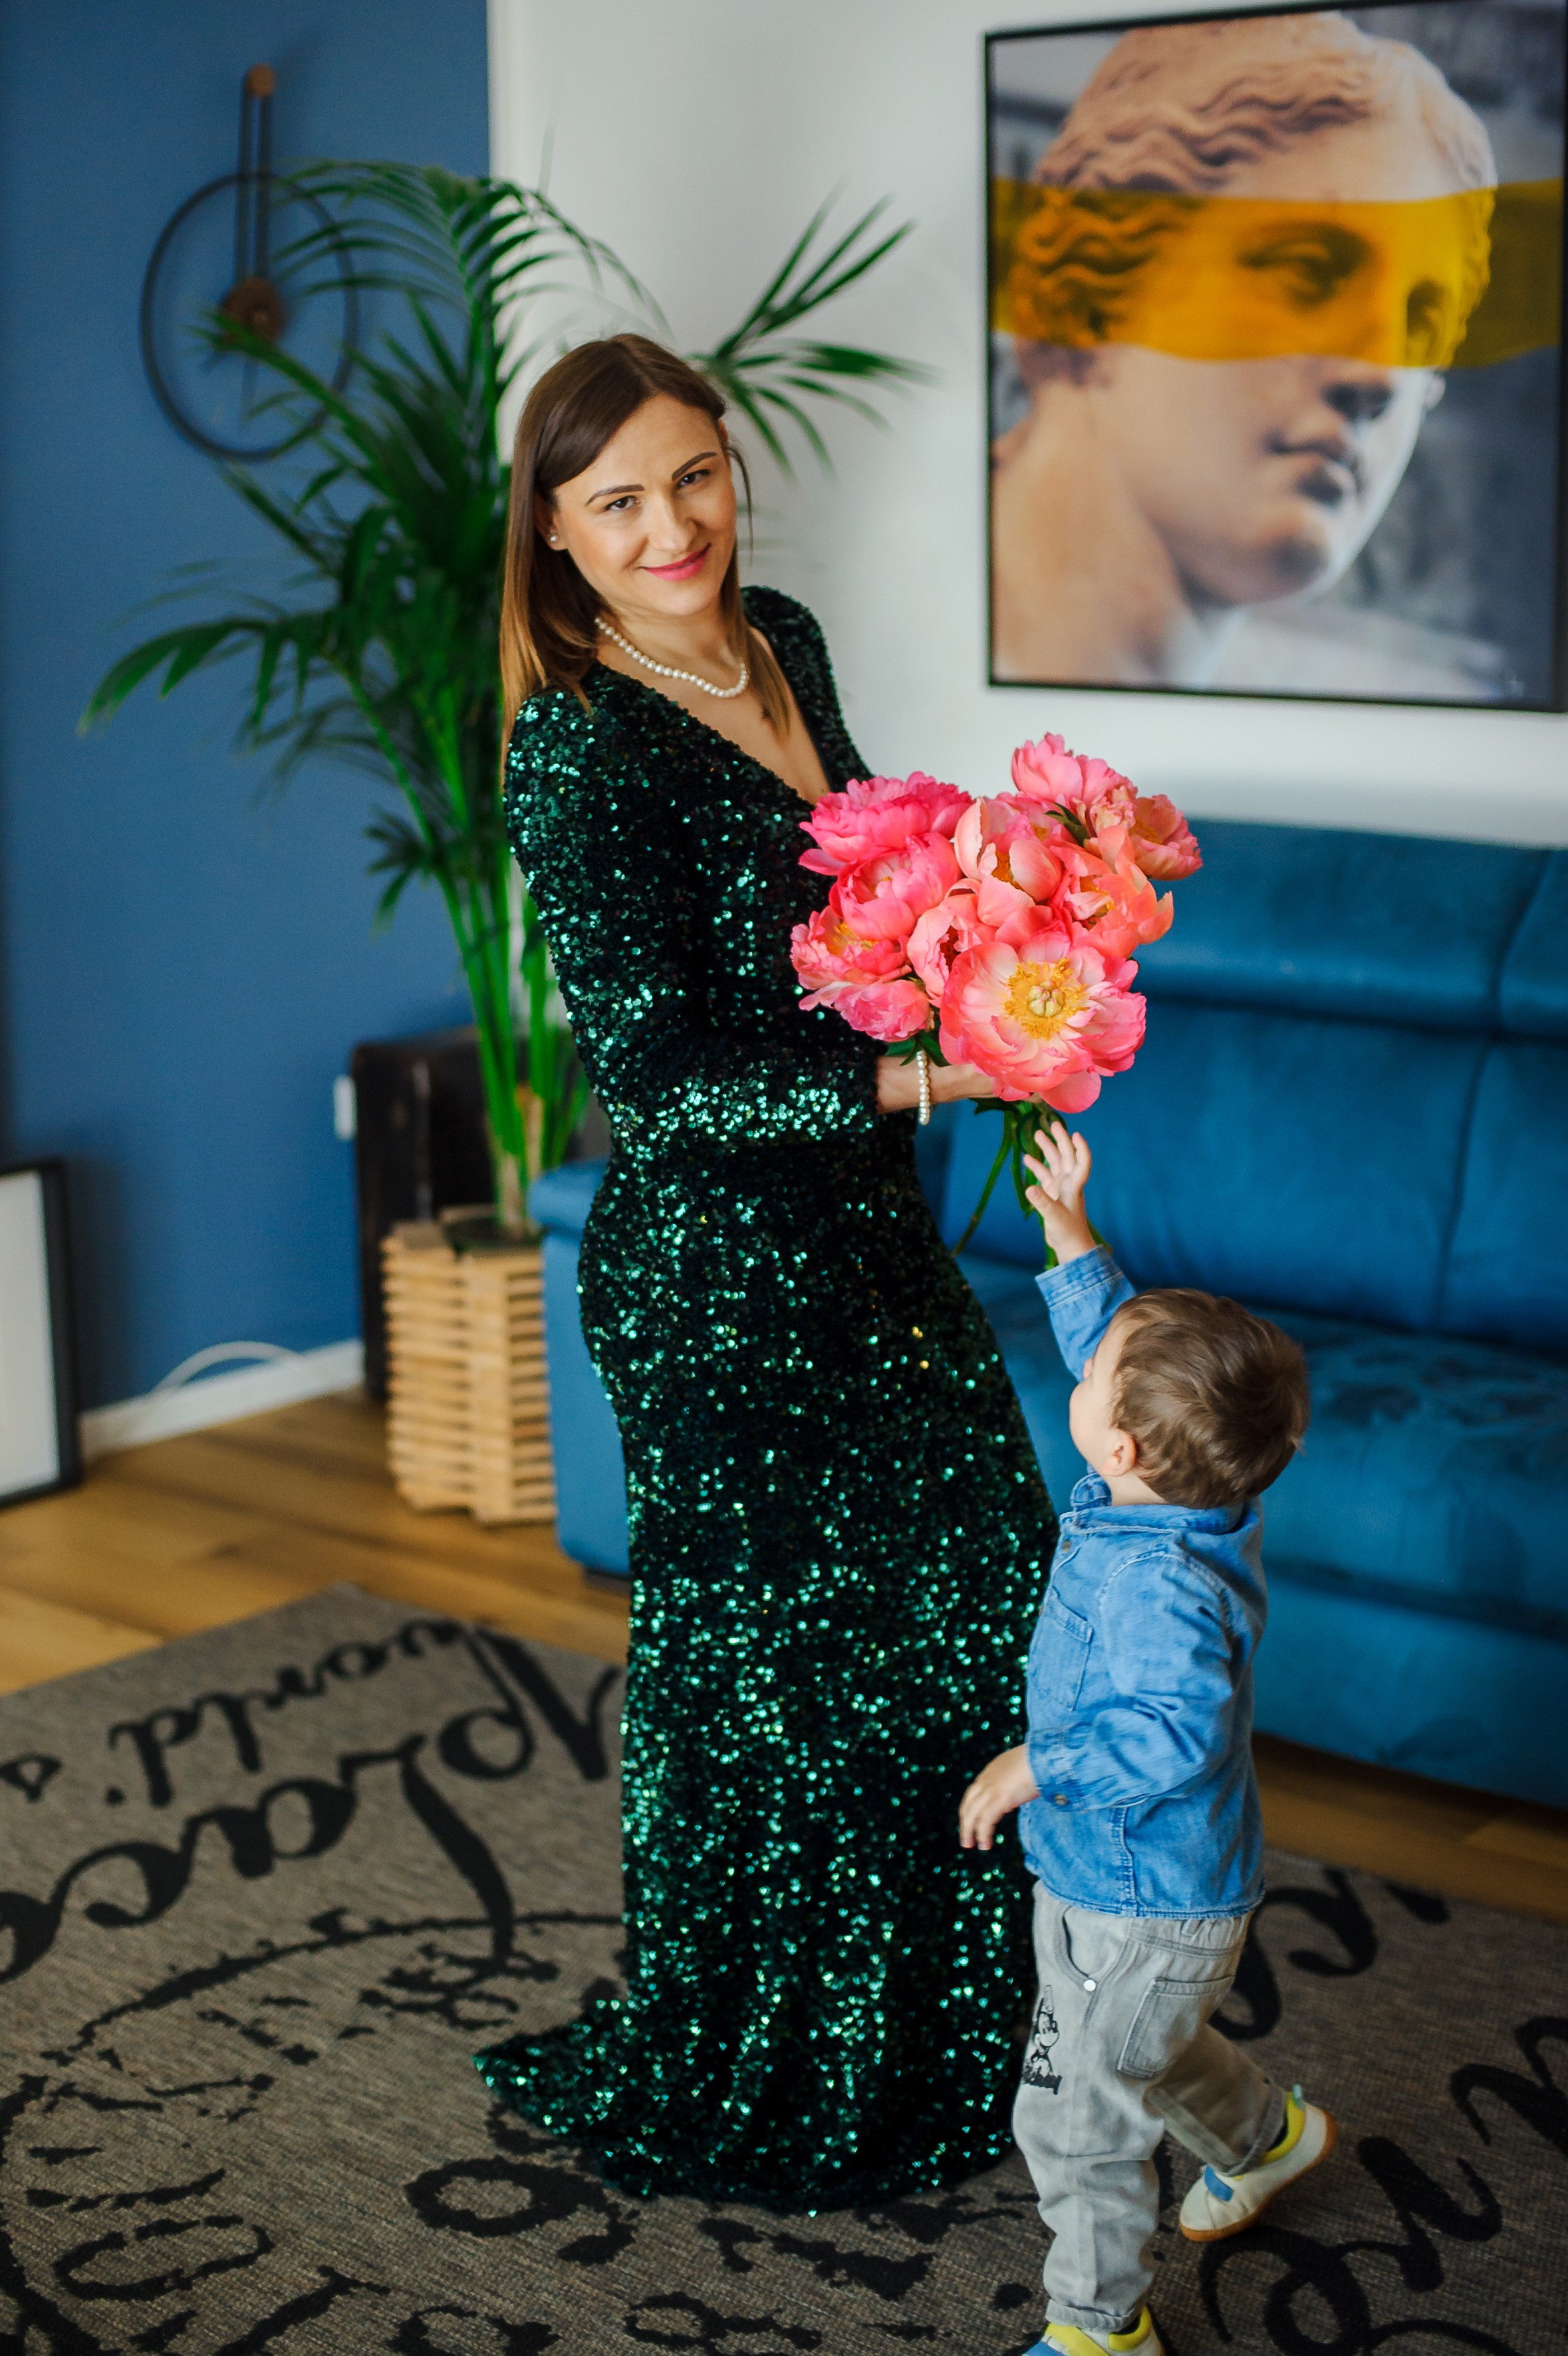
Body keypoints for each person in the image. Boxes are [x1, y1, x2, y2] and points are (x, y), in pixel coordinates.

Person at [473, 334, 1057, 2209]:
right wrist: (914, 1064)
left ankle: (964, 2027)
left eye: (695, 475)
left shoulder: (779, 633)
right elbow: (650, 1079)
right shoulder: (571, 739)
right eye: (620, 499)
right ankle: (776, 2049)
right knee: (777, 1689)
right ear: (555, 535)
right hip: (719, 1281)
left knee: (979, 1595)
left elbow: (850, 890)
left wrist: (985, 926)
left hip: (863, 1229)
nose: (675, 526)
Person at [960, 1122, 1327, 2355]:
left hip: (1137, 1893)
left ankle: (1098, 2329)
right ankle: (1270, 2139)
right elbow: (1121, 1351)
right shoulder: (1191, 1481)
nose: (1078, 1361)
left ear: (1114, 1448)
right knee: (1145, 2047)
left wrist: (1035, 1763)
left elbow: (1173, 1729)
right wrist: (1071, 1232)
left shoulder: (1161, 1583)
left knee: (1075, 2114)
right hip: (1126, 1879)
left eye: (1090, 1373)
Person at [990, 11, 1496, 690]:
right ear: (1100, 287)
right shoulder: (855, 627)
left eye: (1422, 325)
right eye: (1306, 272)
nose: (1380, 377)